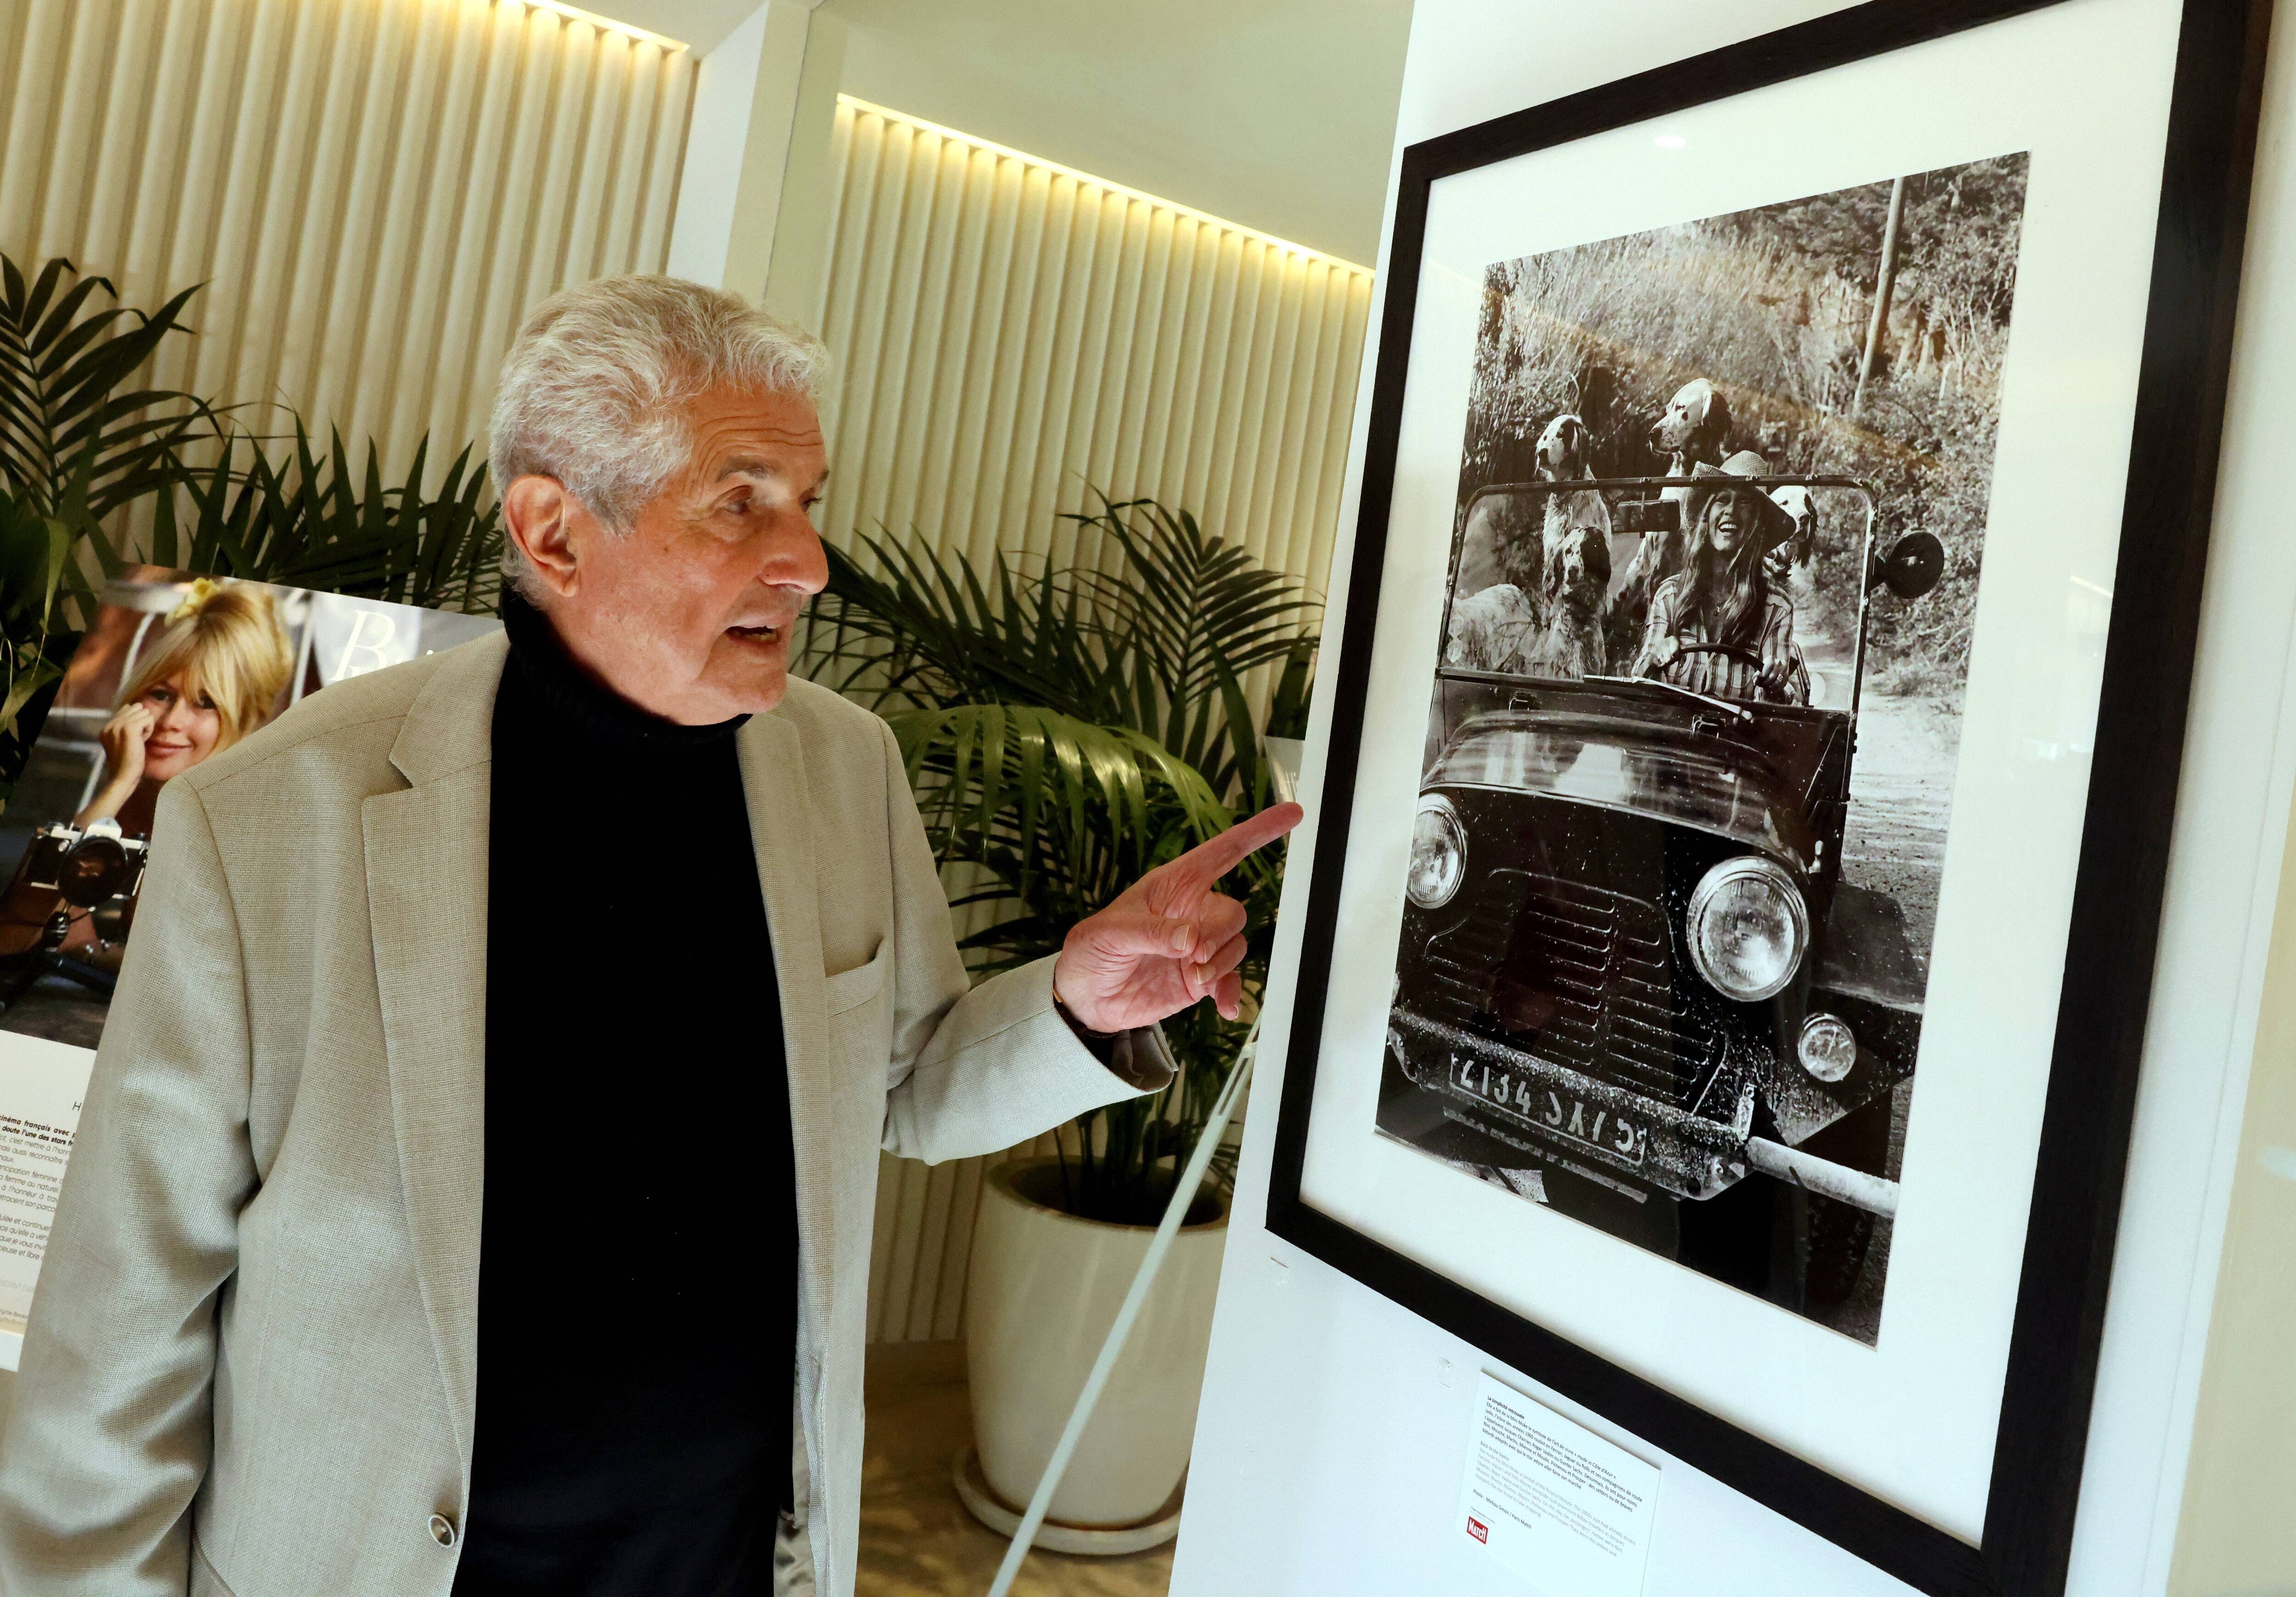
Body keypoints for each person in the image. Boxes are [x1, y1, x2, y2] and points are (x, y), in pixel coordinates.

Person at [0, 275, 1302, 1597]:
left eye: (809, 500)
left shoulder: (843, 767)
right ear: (554, 530)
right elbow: (123, 1315)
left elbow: (904, 1085)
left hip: (729, 1565)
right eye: (741, 500)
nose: (809, 561)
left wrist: (1077, 1003)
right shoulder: (269, 817)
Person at [75, 580, 296, 837]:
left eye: (206, 704)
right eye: (161, 695)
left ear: (248, 721)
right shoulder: (136, 800)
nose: (171, 722)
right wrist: (122, 784)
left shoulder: (250, 828)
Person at [1631, 450, 1806, 703]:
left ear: (1758, 524)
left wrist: (1776, 682)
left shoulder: (1776, 608)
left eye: (1744, 502)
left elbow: (1775, 707)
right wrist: (1654, 658)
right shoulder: (1669, 596)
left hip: (1737, 728)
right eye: (1722, 500)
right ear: (1708, 516)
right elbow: (1640, 685)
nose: (1731, 511)